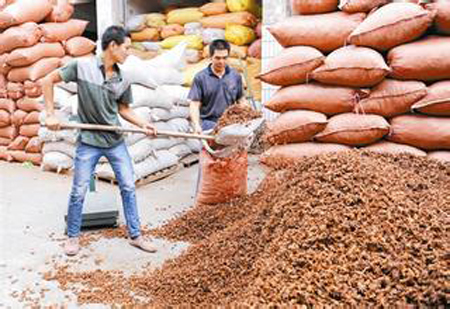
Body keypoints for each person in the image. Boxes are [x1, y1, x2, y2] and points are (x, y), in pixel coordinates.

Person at [42, 26, 158, 256]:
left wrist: (142, 123)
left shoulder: (124, 79)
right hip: (88, 141)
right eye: (126, 48)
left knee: (128, 185)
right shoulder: (82, 66)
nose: (129, 53)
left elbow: (123, 108)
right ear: (112, 46)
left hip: (115, 141)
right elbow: (48, 80)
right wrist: (51, 114)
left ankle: (136, 235)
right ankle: (73, 237)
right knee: (79, 190)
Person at [189, 39, 247, 133]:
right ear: (210, 57)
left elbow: (241, 99)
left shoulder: (235, 76)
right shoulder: (201, 78)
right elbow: (195, 104)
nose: (221, 61)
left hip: (230, 123)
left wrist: (247, 115)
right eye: (218, 58)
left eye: (224, 58)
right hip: (208, 124)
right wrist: (196, 124)